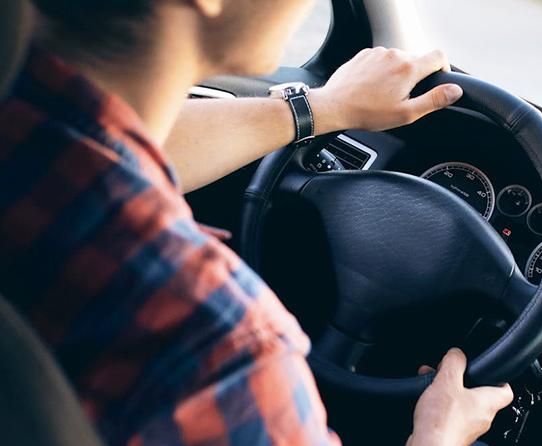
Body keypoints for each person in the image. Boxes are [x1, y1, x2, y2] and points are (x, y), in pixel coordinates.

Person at [0, 0, 514, 445]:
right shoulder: (218, 351)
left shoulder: (27, 132)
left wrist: (324, 108)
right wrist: (438, 436)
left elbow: (114, 145)